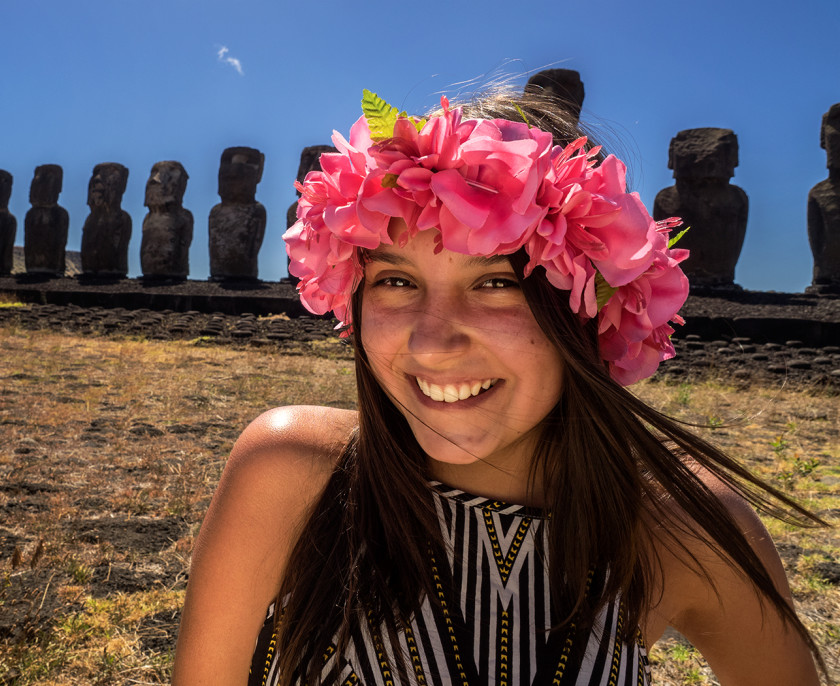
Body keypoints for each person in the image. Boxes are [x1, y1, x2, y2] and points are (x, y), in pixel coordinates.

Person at [172, 87, 827, 685]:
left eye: (496, 284)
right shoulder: (289, 475)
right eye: (397, 281)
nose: (431, 342)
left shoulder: (681, 530)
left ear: (588, 310)